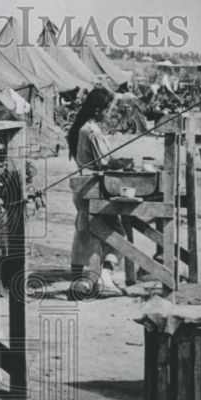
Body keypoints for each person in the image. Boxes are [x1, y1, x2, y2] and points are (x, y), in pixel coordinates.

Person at [67, 87, 131, 296]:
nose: (108, 113)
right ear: (97, 110)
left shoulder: (83, 128)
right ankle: (105, 277)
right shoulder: (91, 131)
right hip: (93, 191)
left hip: (82, 191)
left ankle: (79, 282)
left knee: (83, 233)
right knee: (118, 234)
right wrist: (123, 163)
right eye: (107, 109)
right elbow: (105, 163)